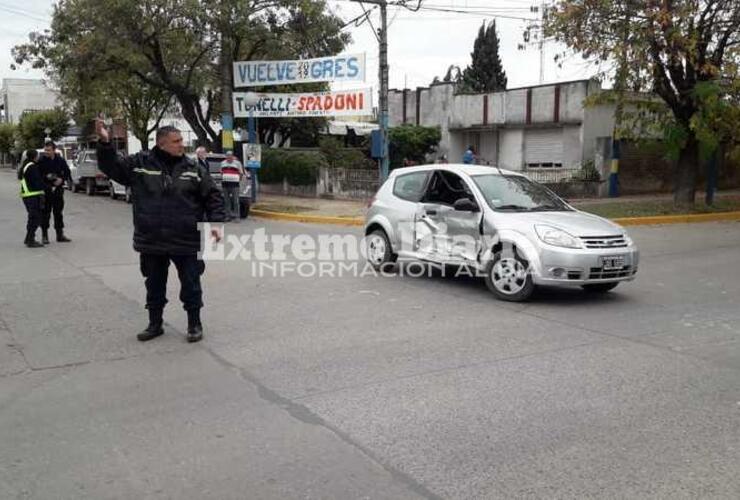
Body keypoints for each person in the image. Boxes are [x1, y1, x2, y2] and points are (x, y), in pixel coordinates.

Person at [95, 121, 225, 343]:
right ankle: (155, 324)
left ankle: (194, 323)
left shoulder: (193, 168)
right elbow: (112, 167)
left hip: (186, 240)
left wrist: (215, 227)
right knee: (154, 284)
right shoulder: (139, 164)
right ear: (162, 144)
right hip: (152, 239)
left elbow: (213, 196)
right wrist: (106, 143)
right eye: (176, 142)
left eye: (182, 141)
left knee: (192, 284)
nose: (181, 145)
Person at [37, 141, 72, 243]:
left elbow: (67, 172)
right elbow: (38, 175)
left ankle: (60, 234)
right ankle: (44, 236)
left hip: (58, 190)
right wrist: (45, 177)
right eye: (45, 150)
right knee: (45, 213)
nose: (46, 152)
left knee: (58, 212)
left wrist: (61, 179)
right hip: (46, 190)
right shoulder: (41, 161)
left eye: (48, 150)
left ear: (53, 150)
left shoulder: (60, 160)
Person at [18, 149, 46, 248]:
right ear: (35, 156)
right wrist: (46, 186)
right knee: (35, 218)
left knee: (32, 217)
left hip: (28, 195)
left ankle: (28, 238)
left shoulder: (26, 165)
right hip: (32, 195)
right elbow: (36, 182)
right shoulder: (32, 167)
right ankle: (30, 240)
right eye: (38, 155)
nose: (39, 157)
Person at [219, 151, 244, 221]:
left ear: (232, 156)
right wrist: (224, 177)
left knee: (235, 201)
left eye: (230, 156)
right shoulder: (222, 163)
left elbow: (241, 173)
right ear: (226, 156)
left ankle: (237, 216)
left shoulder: (237, 163)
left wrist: (238, 180)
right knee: (227, 201)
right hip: (225, 184)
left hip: (235, 185)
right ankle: (228, 216)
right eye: (227, 156)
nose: (229, 157)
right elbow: (221, 172)